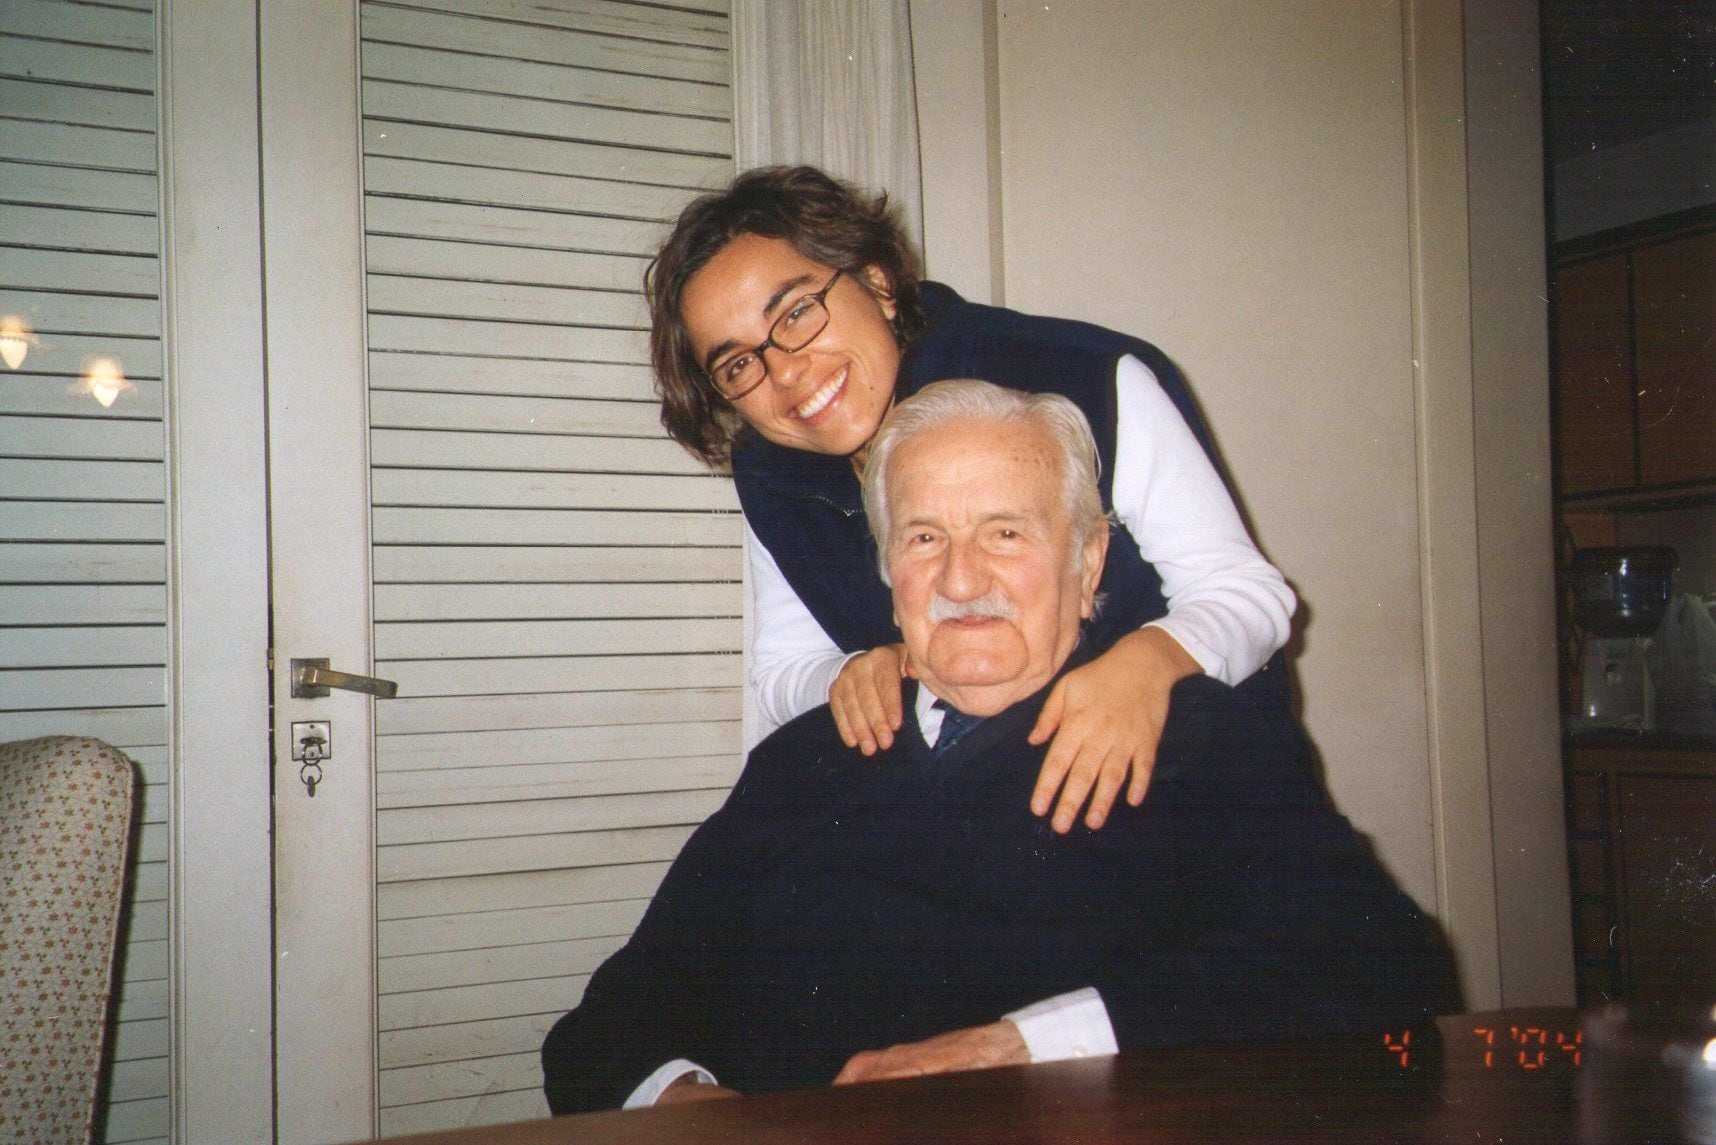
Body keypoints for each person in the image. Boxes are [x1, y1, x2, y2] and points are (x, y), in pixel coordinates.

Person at [540, 381, 1454, 1114]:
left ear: (1089, 564)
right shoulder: (808, 757)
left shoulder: (1195, 739)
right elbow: (603, 1027)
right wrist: (690, 1102)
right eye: (925, 537)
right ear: (888, 573)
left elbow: (1385, 966)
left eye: (1006, 533)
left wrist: (1018, 1047)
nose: (961, 577)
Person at [648, 165, 1295, 833]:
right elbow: (784, 670)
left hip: (1184, 782)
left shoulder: (1087, 377)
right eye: (737, 364)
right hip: (986, 803)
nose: (783, 371)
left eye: (797, 312)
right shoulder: (769, 472)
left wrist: (1146, 665)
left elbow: (1251, 597)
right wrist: (850, 675)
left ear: (876, 282)